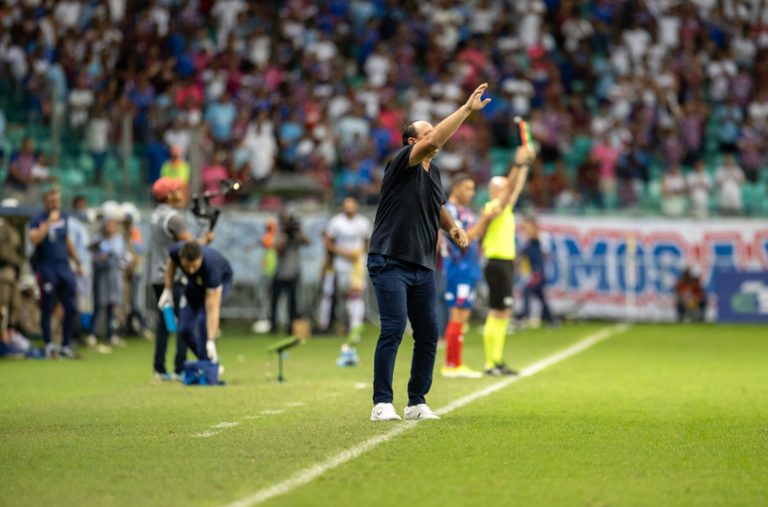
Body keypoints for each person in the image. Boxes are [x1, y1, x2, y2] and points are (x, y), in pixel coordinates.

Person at [367, 82, 489, 422]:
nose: (434, 135)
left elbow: (438, 205)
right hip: (390, 258)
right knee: (393, 328)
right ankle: (381, 403)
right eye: (427, 132)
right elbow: (435, 140)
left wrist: (451, 227)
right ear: (412, 142)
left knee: (428, 334)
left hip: (421, 263)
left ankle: (416, 402)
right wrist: (466, 109)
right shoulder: (402, 161)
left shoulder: (432, 172)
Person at [148, 177, 213, 381]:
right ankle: (180, 368)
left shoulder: (156, 215)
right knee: (185, 323)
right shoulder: (173, 218)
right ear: (168, 195)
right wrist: (207, 239)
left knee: (164, 324)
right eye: (177, 190)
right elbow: (191, 247)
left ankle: (159, 369)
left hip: (157, 277)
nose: (181, 193)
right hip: (172, 278)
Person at [440, 174, 502, 379]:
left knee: (463, 315)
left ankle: (456, 362)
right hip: (458, 268)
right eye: (468, 188)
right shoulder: (449, 210)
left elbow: (476, 236)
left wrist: (486, 221)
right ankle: (451, 364)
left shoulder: (465, 211)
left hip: (469, 268)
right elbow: (463, 238)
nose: (472, 193)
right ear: (456, 188)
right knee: (457, 314)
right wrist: (485, 218)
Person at [481, 145, 535, 377]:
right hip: (497, 262)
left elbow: (516, 187)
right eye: (503, 186)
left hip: (502, 262)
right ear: (495, 190)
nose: (508, 188)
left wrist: (524, 165)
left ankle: (497, 360)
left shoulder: (504, 208)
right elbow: (511, 189)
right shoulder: (494, 207)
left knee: (501, 312)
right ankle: (491, 362)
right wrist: (518, 162)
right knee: (497, 312)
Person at [27, 189, 84, 358]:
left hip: (64, 268)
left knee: (71, 307)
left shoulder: (64, 217)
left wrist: (77, 261)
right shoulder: (38, 219)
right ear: (45, 201)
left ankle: (66, 345)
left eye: (57, 200)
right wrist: (47, 224)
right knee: (48, 306)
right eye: (51, 200)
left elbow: (66, 240)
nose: (54, 204)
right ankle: (49, 345)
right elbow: (34, 239)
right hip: (47, 268)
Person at [158, 242, 233, 366]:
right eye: (187, 267)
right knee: (184, 328)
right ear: (181, 258)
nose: (191, 270)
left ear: (201, 259)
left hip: (220, 281)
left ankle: (208, 363)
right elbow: (171, 263)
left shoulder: (211, 268)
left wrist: (211, 340)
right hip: (195, 284)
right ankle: (208, 361)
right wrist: (168, 289)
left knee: (204, 319)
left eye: (194, 266)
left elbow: (212, 310)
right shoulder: (176, 251)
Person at [324, 196, 372, 366]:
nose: (349, 207)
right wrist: (343, 252)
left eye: (352, 204)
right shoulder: (336, 222)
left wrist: (359, 253)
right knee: (346, 296)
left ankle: (355, 328)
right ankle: (349, 325)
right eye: (346, 205)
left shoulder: (363, 223)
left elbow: (367, 242)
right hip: (341, 264)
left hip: (358, 264)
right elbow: (328, 243)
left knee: (356, 293)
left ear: (356, 206)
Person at [86, 214, 127, 350]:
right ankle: (91, 334)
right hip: (101, 275)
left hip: (114, 276)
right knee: (99, 305)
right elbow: (92, 257)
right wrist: (101, 258)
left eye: (113, 225)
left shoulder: (119, 239)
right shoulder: (98, 239)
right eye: (108, 224)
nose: (110, 227)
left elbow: (123, 257)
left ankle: (112, 335)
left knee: (112, 306)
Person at [270, 210, 310, 335]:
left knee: (293, 303)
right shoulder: (280, 234)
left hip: (294, 273)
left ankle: (291, 328)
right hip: (280, 273)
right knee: (275, 302)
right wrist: (285, 237)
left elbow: (307, 242)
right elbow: (278, 250)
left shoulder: (296, 235)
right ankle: (274, 326)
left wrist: (298, 232)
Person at [517, 216, 556, 327]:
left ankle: (524, 316)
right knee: (540, 296)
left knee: (527, 292)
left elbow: (544, 255)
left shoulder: (540, 239)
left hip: (538, 272)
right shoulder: (527, 241)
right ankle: (551, 320)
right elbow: (523, 256)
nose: (525, 230)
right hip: (532, 272)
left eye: (527, 227)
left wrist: (537, 271)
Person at [67, 195, 94, 344]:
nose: (83, 208)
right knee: (74, 302)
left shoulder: (84, 224)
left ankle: (81, 333)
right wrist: (76, 264)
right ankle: (73, 335)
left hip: (86, 268)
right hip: (76, 268)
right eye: (81, 205)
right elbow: (70, 244)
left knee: (84, 303)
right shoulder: (72, 223)